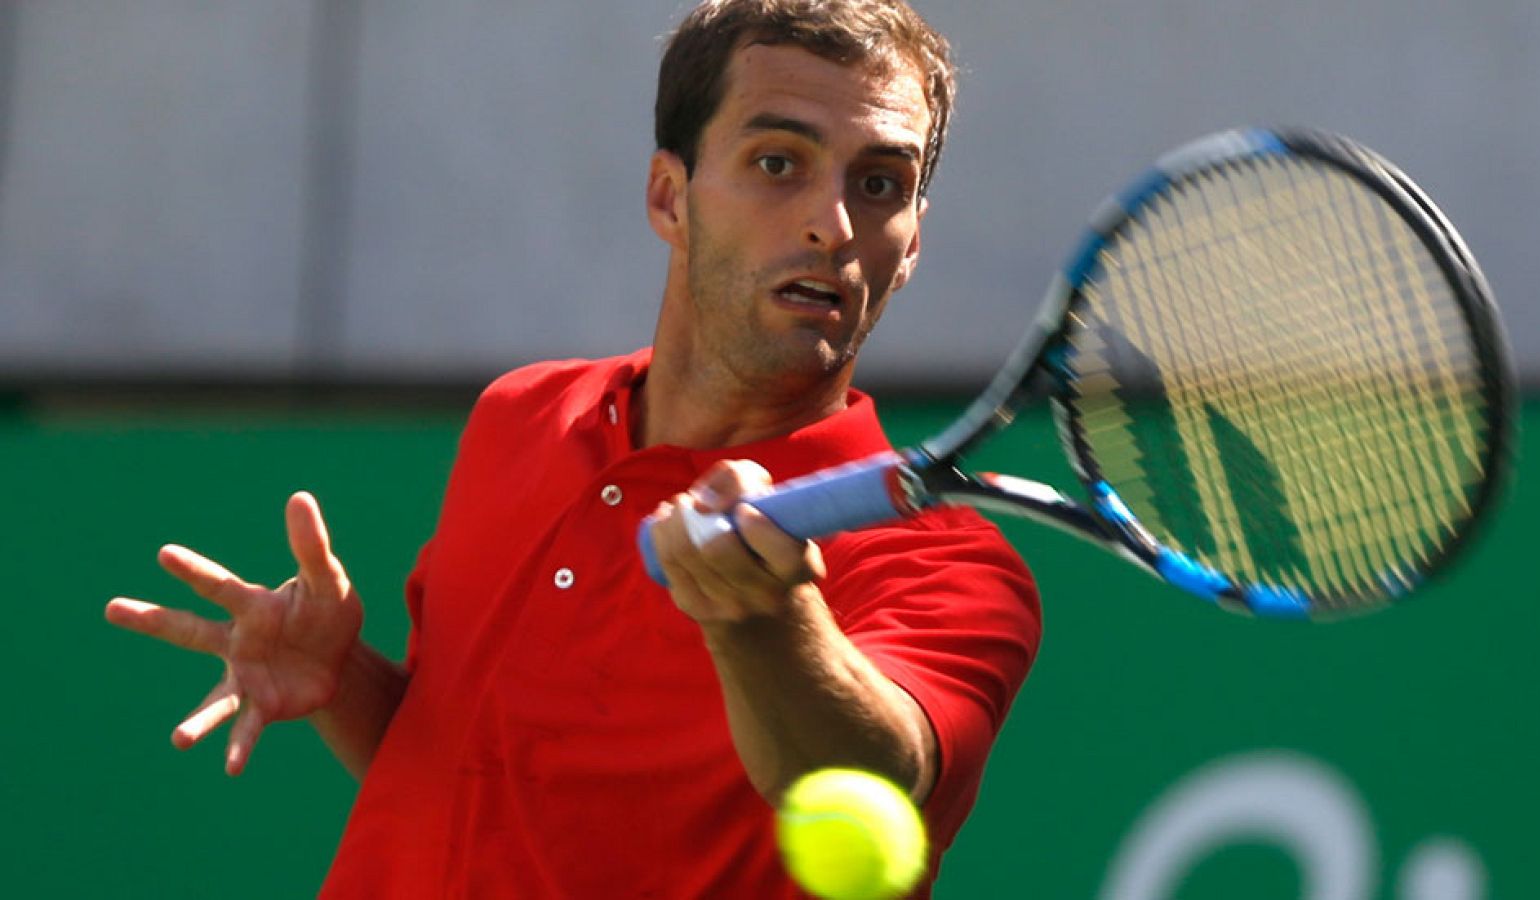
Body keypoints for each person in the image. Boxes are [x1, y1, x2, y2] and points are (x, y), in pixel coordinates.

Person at [105, 1, 1042, 896]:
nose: (832, 226)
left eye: (880, 184)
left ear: (911, 242)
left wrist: (764, 621)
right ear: (669, 198)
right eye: (777, 162)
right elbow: (470, 771)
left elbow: (871, 773)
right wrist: (343, 681)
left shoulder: (951, 570)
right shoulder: (523, 415)